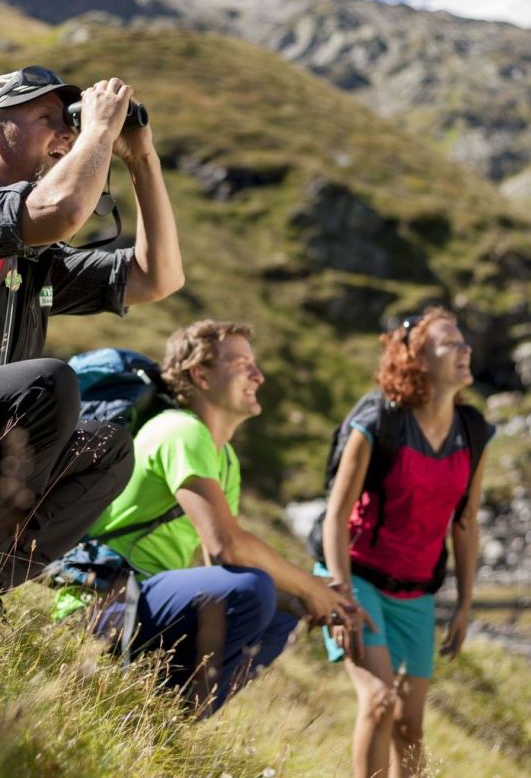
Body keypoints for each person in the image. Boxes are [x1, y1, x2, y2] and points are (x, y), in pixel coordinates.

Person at [0, 65, 184, 589]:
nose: (66, 133)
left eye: (70, 122)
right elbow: (59, 210)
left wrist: (142, 158)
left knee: (109, 447)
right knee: (47, 382)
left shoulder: (35, 259)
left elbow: (157, 277)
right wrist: (98, 129)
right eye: (45, 118)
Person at [56, 319, 368, 716]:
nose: (259, 375)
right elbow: (226, 548)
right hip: (101, 603)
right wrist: (308, 584)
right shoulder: (181, 431)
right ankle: (153, 704)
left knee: (282, 606)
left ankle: (165, 717)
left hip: (145, 599)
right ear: (200, 374)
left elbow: (215, 564)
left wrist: (318, 601)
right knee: (256, 587)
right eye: (241, 364)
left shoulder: (226, 459)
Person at [319, 307, 493, 778]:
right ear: (416, 359)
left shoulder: (472, 431)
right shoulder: (378, 420)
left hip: (416, 591)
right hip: (356, 576)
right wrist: (342, 594)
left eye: (463, 340)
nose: (465, 348)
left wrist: (465, 604)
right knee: (378, 701)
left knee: (410, 725)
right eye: (449, 342)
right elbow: (335, 515)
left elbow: (466, 522)